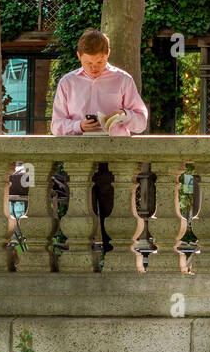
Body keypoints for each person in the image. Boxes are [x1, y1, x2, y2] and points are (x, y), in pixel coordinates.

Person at [50, 29, 150, 265]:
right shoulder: (67, 83)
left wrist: (124, 115)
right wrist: (79, 126)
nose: (94, 67)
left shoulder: (123, 80)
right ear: (78, 56)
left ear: (108, 54)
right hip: (78, 160)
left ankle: (116, 261)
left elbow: (142, 121)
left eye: (99, 61)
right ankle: (79, 263)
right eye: (88, 62)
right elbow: (56, 126)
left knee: (115, 214)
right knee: (79, 214)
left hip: (114, 159)